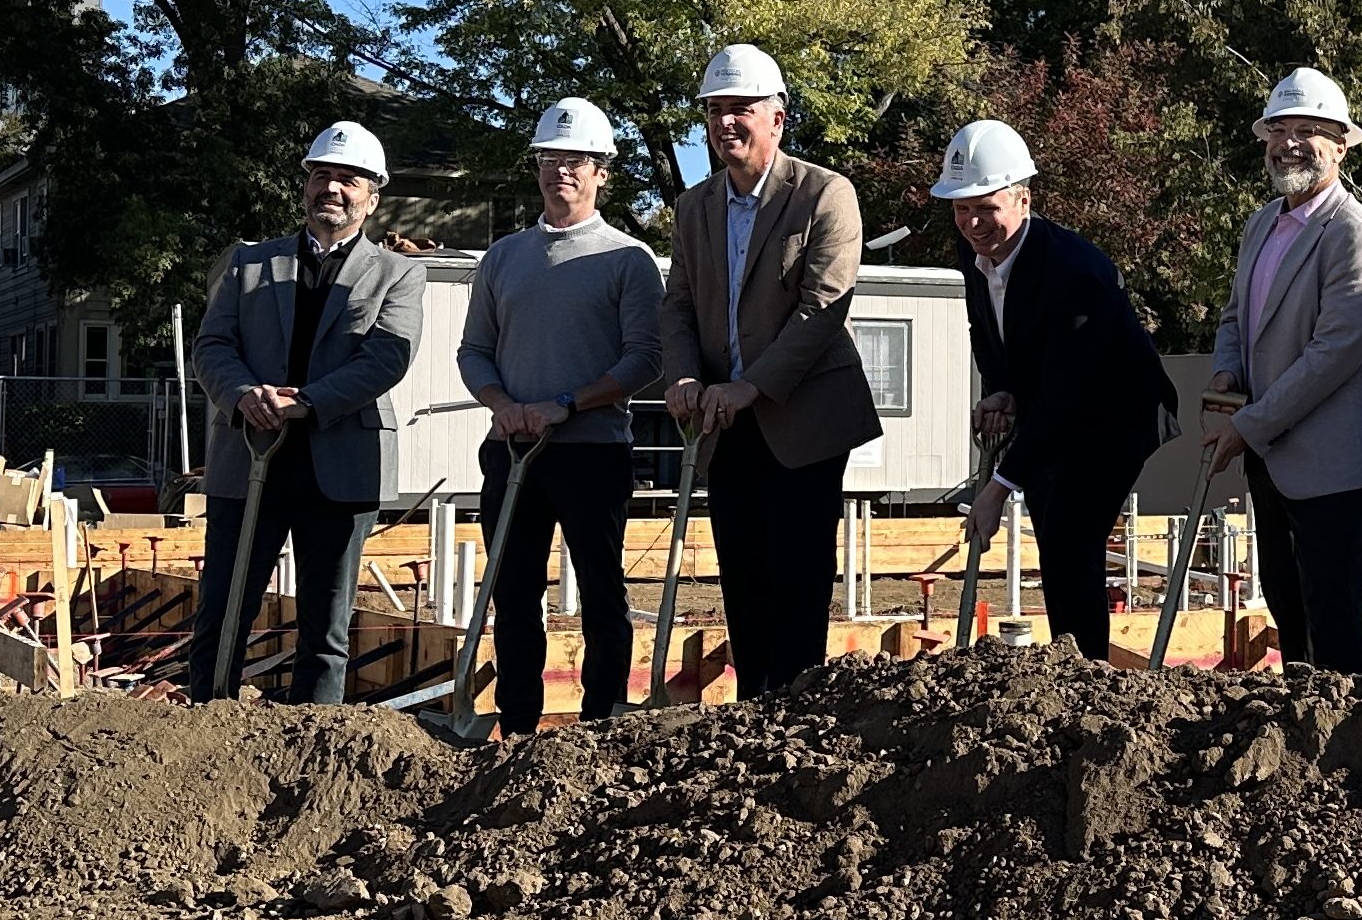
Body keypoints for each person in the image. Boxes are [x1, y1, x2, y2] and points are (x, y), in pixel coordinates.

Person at [659, 43, 881, 699]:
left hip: (801, 420)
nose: (727, 123)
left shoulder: (823, 193)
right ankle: (755, 712)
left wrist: (750, 384)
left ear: (777, 119)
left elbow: (822, 307)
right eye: (716, 111)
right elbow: (675, 306)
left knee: (798, 577)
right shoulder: (692, 208)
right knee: (744, 578)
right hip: (723, 424)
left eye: (742, 110)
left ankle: (797, 712)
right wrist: (681, 378)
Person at [188, 121, 424, 703]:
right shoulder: (249, 266)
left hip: (339, 465)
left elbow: (386, 358)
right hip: (248, 459)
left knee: (326, 627)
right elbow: (212, 346)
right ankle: (203, 732)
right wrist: (243, 395)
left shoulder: (398, 273)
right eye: (321, 176)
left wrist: (306, 402)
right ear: (304, 186)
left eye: (348, 180)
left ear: (373, 196)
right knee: (221, 613)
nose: (332, 190)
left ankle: (311, 742)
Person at [456, 97, 664, 735]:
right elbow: (474, 350)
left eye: (576, 161)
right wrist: (504, 406)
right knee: (514, 592)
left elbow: (645, 360)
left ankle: (601, 722)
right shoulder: (504, 257)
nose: (561, 172)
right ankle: (518, 725)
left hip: (591, 449)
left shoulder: (627, 258)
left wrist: (567, 405)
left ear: (602, 172)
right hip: (513, 450)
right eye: (550, 159)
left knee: (602, 592)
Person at [935, 117, 1179, 660]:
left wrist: (996, 488)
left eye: (987, 207)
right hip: (1053, 407)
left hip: (1115, 414)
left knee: (1071, 536)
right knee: (1055, 537)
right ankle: (1070, 662)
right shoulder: (978, 255)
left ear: (1023, 199)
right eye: (961, 208)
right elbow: (992, 336)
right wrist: (1002, 389)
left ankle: (1085, 671)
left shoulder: (1074, 273)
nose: (973, 222)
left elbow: (1067, 396)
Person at [1201, 67, 1362, 672]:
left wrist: (1249, 425)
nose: (1290, 143)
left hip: (1336, 463)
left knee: (1332, 618)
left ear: (1341, 146)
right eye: (1279, 130)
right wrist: (1225, 376)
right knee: (1288, 605)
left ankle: (1342, 746)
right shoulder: (1261, 225)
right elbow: (1236, 317)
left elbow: (1331, 358)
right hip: (1273, 455)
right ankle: (1298, 738)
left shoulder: (1355, 234)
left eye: (1309, 131)